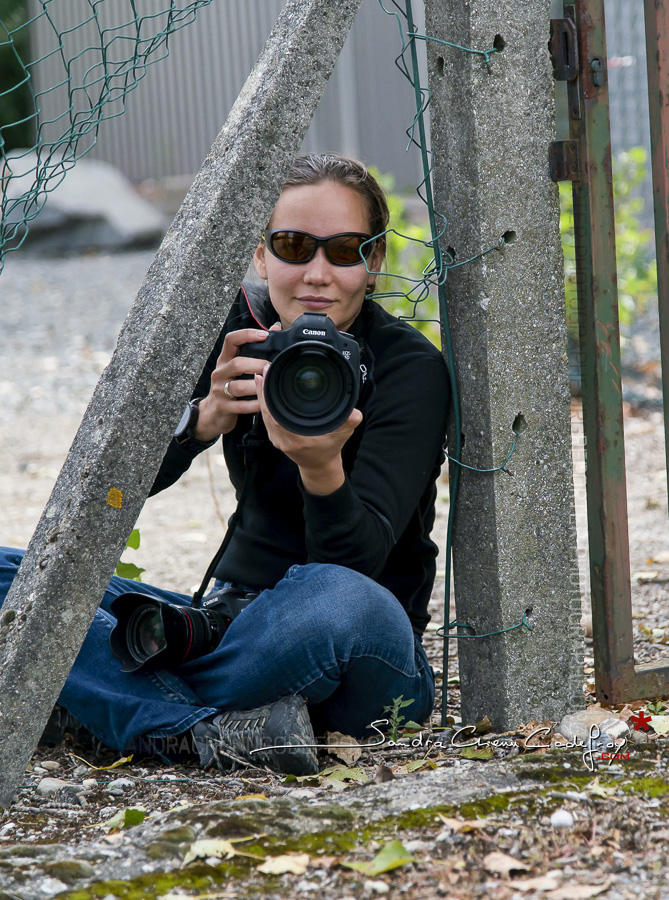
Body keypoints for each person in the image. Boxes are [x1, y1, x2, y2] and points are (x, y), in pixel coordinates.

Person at [0, 153, 449, 776]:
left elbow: (357, 568)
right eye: (293, 245)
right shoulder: (241, 337)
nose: (317, 274)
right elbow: (109, 489)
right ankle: (206, 731)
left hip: (358, 649)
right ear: (261, 255)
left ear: (373, 262)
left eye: (344, 250)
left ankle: (102, 699)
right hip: (227, 625)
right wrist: (199, 420)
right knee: (13, 578)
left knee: (337, 598)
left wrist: (320, 468)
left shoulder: (408, 369)